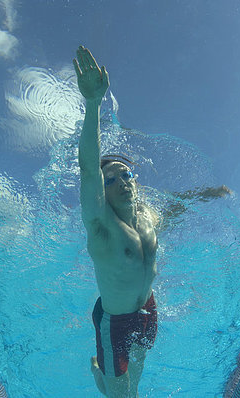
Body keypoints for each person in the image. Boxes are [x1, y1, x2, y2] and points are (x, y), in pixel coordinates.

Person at [73, 45, 159, 398]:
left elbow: (178, 209)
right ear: (103, 193)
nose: (122, 181)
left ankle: (108, 380)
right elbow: (89, 170)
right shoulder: (101, 227)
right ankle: (104, 379)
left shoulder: (148, 217)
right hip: (115, 323)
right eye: (111, 180)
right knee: (121, 397)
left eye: (126, 175)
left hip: (148, 309)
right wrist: (94, 103)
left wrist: (208, 195)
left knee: (134, 385)